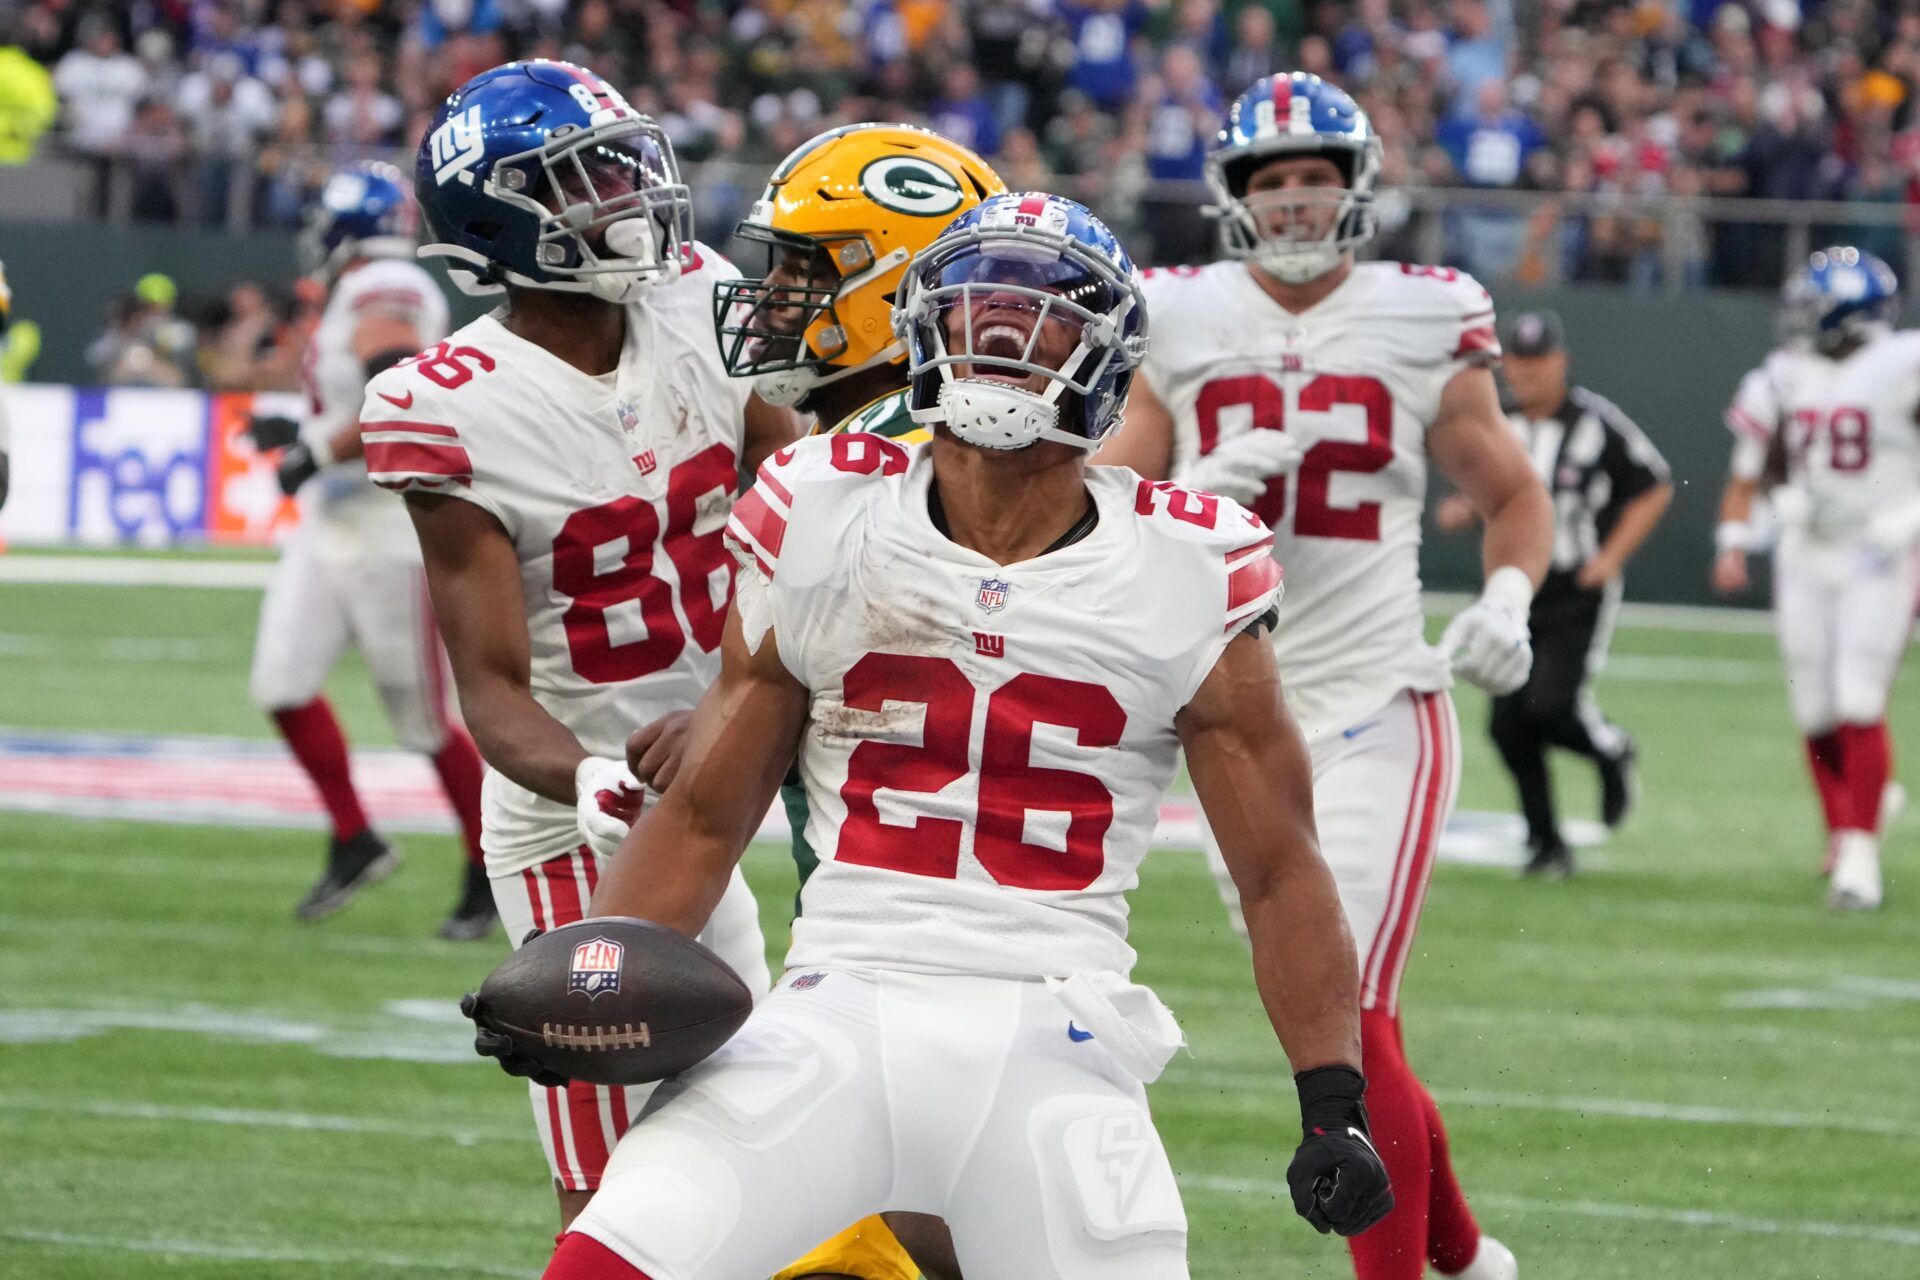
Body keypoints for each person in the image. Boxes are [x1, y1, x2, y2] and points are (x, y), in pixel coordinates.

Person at [496, 191, 1393, 1279]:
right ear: (924, 329)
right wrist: (593, 974)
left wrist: (1330, 1099)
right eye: (975, 309)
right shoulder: (822, 506)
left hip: (1058, 1034)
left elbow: (1279, 867)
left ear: (1105, 354)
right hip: (837, 1004)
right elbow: (702, 812)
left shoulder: (1189, 565)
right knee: (602, 1263)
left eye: (1045, 314)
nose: (1004, 336)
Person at [1096, 74, 1550, 1280]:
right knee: (1329, 1011)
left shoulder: (1424, 311)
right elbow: (1098, 507)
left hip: (1373, 701)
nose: (1297, 202)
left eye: (1317, 179)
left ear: (1357, 190)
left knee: (1349, 1018)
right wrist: (1185, 497)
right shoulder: (1178, 314)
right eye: (1274, 181)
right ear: (1236, 197)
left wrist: (1507, 595)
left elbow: (1510, 490)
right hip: (1236, 713)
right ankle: (1461, 1254)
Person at [364, 59, 792, 1237]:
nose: (626, 192)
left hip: (720, 769)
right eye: (586, 178)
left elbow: (801, 491)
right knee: (614, 1163)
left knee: (776, 1124)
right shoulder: (446, 402)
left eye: (622, 163)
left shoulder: (699, 296)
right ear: (502, 215)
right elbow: (493, 694)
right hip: (578, 812)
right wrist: (594, 778)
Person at [709, 119, 1007, 1280]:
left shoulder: (867, 469)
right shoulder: (931, 448)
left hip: (910, 938)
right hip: (954, 935)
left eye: (805, 267)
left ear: (902, 281)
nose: (773, 295)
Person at [241, 161, 493, 939]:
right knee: (282, 683)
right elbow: (359, 398)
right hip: (332, 524)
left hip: (391, 526)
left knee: (422, 719)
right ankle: (356, 838)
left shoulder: (389, 281)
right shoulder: (359, 287)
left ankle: (489, 867)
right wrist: (301, 432)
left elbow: (397, 390)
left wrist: (313, 446)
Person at [1712, 246, 1920, 910]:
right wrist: (1758, 518)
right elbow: (1755, 463)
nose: (1802, 317)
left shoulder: (1902, 364)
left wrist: (1911, 514)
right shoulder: (1783, 374)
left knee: (1859, 698)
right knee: (1815, 709)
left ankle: (1859, 856)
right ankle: (1846, 823)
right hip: (1807, 550)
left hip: (1878, 551)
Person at [1437, 310, 1672, 877]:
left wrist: (1610, 558)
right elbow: (1483, 496)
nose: (1528, 373)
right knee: (1506, 723)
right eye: (1517, 360)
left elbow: (1653, 485)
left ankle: (1609, 749)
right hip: (1511, 586)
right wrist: (1463, 510)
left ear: (1561, 361)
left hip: (1573, 588)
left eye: (1539, 360)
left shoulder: (1595, 422)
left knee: (1548, 705)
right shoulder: (1497, 422)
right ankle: (1546, 844)